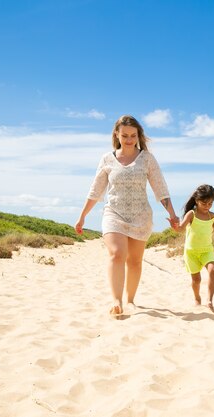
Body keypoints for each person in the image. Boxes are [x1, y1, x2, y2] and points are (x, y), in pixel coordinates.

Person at [75, 115, 179, 316]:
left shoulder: (147, 159)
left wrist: (173, 215)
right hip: (114, 213)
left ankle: (130, 299)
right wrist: (82, 217)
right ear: (117, 134)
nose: (129, 139)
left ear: (138, 135)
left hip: (141, 215)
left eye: (133, 135)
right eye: (125, 135)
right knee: (117, 254)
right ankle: (116, 300)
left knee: (134, 261)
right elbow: (95, 191)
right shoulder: (107, 159)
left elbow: (161, 189)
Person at [171, 184, 214, 310]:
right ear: (197, 201)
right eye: (204, 203)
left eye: (210, 203)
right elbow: (181, 229)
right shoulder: (191, 214)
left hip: (206, 250)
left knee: (213, 269)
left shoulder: (212, 216)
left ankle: (209, 300)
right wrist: (175, 226)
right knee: (196, 280)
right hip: (191, 252)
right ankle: (197, 297)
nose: (207, 206)